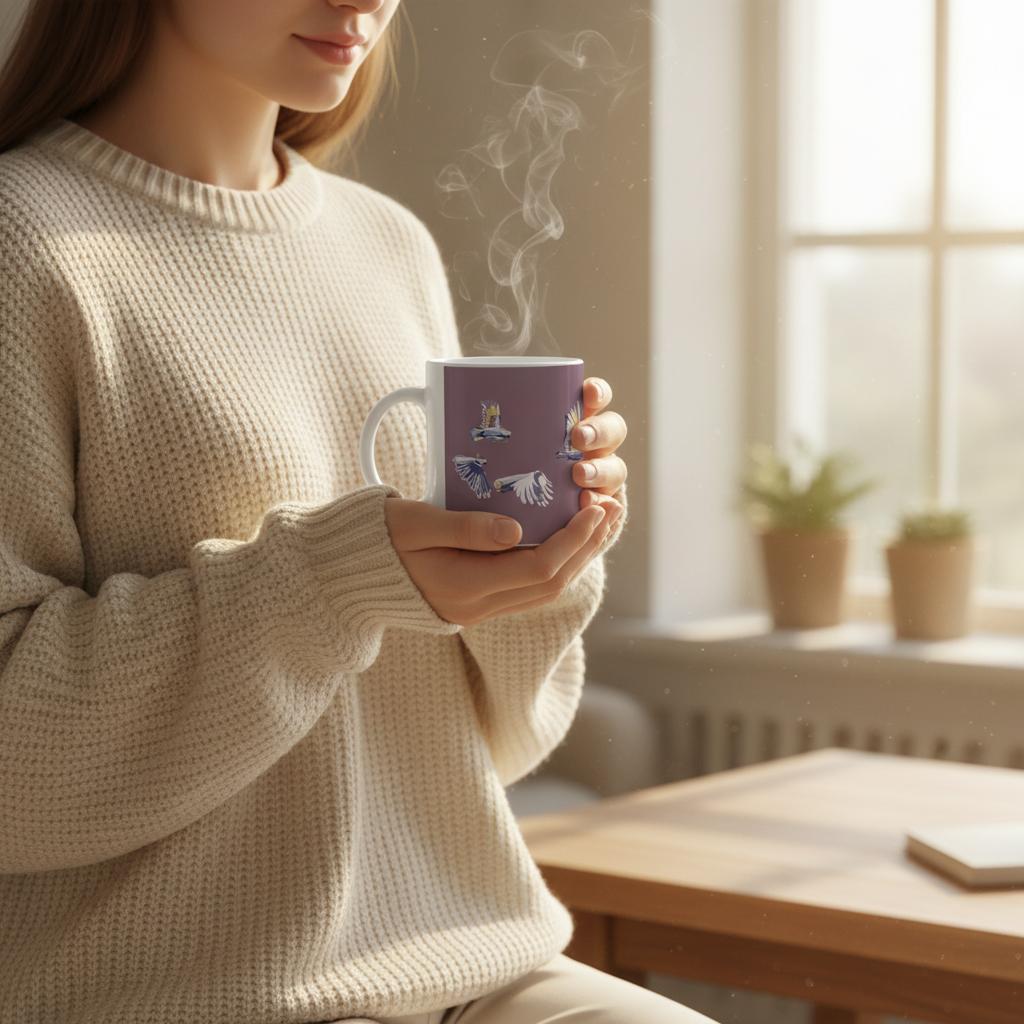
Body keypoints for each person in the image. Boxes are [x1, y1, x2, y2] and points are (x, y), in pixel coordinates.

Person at [0, 1, 714, 1022]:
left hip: (475, 959)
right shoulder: (21, 247)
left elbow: (487, 743)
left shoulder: (388, 243)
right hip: (176, 992)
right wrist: (338, 577)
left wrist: (542, 555)